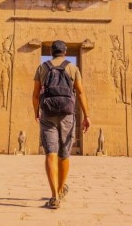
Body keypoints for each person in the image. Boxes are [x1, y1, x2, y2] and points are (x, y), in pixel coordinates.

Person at [32, 40, 91, 209]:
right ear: (65, 52)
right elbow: (80, 92)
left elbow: (35, 95)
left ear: (51, 51)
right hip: (67, 113)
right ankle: (60, 189)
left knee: (50, 152)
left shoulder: (43, 68)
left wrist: (36, 111)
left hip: (48, 112)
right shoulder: (72, 68)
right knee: (64, 154)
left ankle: (54, 196)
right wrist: (86, 115)